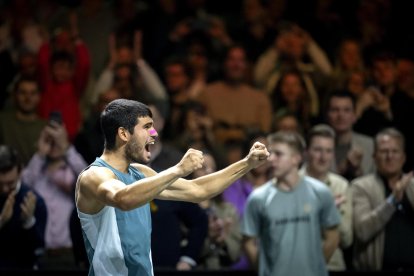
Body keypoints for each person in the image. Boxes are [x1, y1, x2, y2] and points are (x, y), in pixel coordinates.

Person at [75, 99, 269, 276]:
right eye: (147, 127)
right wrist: (178, 170)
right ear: (124, 134)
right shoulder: (94, 175)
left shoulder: (139, 173)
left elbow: (198, 191)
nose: (154, 134)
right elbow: (123, 199)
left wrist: (246, 164)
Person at [242, 131, 340, 276]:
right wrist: (265, 270)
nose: (271, 159)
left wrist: (315, 266)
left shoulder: (320, 192)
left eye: (278, 154)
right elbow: (248, 241)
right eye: (271, 153)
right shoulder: (258, 198)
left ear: (296, 158)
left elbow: (332, 235)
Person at [22, 120, 87, 269]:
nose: (54, 143)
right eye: (49, 139)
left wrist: (67, 148)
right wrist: (39, 154)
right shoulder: (36, 172)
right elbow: (22, 187)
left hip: (69, 253)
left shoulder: (72, 173)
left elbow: (90, 180)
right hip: (40, 254)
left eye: (57, 138)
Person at [352, 128, 414, 272]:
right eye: (384, 151)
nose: (390, 156)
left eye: (395, 151)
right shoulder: (361, 187)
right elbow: (362, 231)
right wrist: (392, 201)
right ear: (374, 156)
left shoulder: (413, 186)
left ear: (403, 157)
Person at [301, 124, 353, 271]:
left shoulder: (341, 186)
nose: (323, 157)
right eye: (318, 150)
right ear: (306, 152)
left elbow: (347, 240)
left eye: (328, 151)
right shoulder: (291, 183)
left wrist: (330, 213)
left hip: (332, 266)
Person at [0, 145, 47, 269]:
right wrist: (1, 221)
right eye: (0, 184)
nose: (4, 189)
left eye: (10, 183)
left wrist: (29, 222)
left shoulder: (35, 202)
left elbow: (38, 250)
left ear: (20, 172)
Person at [325, 90, 375, 181]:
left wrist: (357, 170)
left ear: (354, 115)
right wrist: (342, 169)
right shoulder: (318, 146)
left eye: (346, 110)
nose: (340, 115)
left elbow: (375, 185)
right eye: (335, 110)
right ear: (328, 115)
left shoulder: (370, 145)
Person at [0, 77, 46, 165]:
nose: (28, 98)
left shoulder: (46, 127)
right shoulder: (3, 121)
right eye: (23, 93)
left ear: (39, 96)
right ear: (15, 95)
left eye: (33, 93)